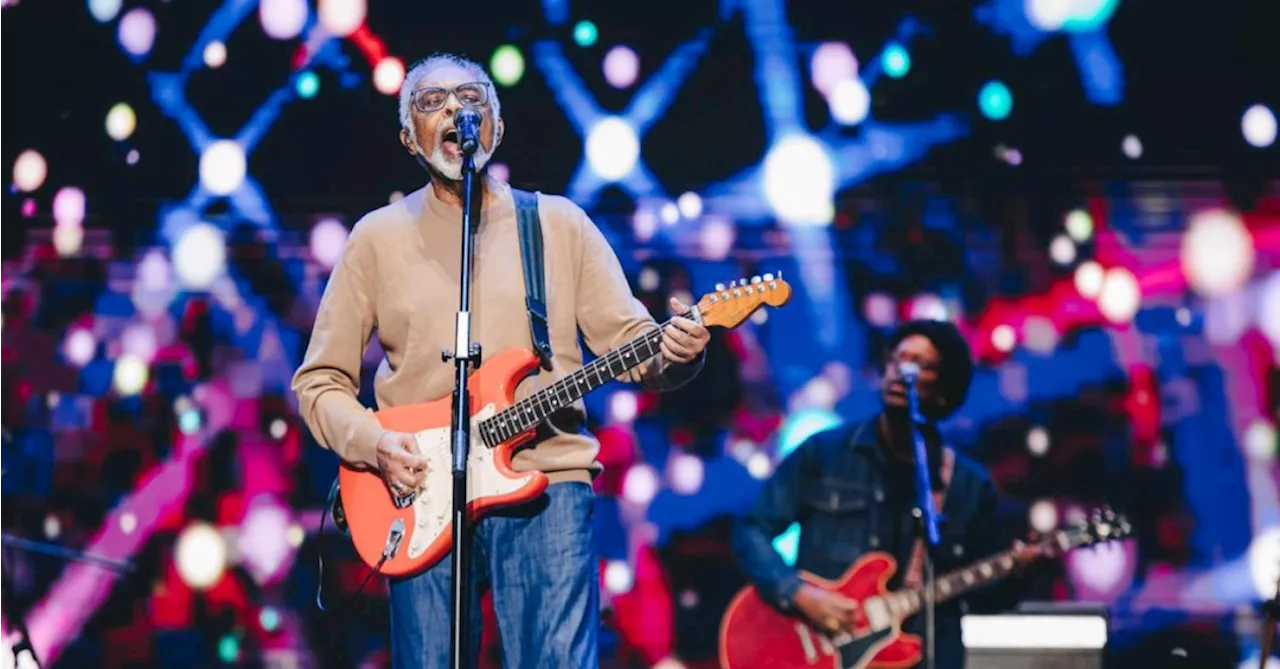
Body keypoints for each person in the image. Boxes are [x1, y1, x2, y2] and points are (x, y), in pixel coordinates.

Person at [291, 53, 710, 669]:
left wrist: (678, 352)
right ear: (409, 137)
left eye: (470, 97)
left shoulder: (558, 225)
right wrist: (374, 442)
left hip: (548, 484)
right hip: (420, 493)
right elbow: (319, 382)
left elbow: (635, 348)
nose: (456, 110)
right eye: (432, 102)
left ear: (496, 125)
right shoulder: (376, 238)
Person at [730, 320, 1038, 669]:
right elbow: (751, 528)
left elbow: (984, 602)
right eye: (897, 359)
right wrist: (798, 593)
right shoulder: (826, 453)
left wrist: (1017, 572)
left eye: (921, 365)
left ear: (944, 390)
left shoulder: (968, 485)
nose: (901, 371)